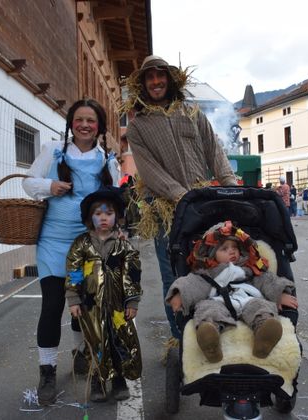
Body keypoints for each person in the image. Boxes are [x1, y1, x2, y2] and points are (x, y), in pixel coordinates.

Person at [124, 55, 238, 341]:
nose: (156, 81)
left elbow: (214, 151)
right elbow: (149, 171)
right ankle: (182, 340)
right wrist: (182, 196)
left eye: (160, 75)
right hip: (165, 210)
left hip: (203, 204)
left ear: (170, 79)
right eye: (150, 77)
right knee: (173, 275)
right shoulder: (138, 126)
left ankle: (212, 329)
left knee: (210, 268)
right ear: (143, 84)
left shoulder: (192, 113)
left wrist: (231, 187)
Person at [22, 98, 120, 405]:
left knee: (86, 305)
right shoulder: (53, 150)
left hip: (90, 245)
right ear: (71, 124)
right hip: (53, 243)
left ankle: (80, 355)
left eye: (91, 120)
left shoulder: (107, 160)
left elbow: (116, 202)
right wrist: (49, 186)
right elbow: (28, 183)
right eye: (79, 119)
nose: (85, 125)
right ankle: (47, 373)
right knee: (52, 306)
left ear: (99, 127)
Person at [165, 221, 298, 362]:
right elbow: (193, 283)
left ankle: (264, 335)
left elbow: (267, 280)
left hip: (248, 299)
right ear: (212, 254)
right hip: (218, 301)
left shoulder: (249, 268)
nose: (232, 251)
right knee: (207, 309)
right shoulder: (208, 273)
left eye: (235, 247)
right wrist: (180, 294)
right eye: (224, 248)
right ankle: (210, 339)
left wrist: (279, 293)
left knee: (261, 307)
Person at [66, 187, 142, 402]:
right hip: (90, 306)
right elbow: (73, 271)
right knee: (95, 342)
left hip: (118, 306)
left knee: (120, 341)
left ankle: (119, 380)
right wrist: (73, 299)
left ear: (117, 216)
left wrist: (132, 301)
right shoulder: (82, 243)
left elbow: (132, 273)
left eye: (108, 213)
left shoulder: (122, 245)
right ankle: (98, 381)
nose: (103, 218)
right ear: (90, 218)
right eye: (98, 214)